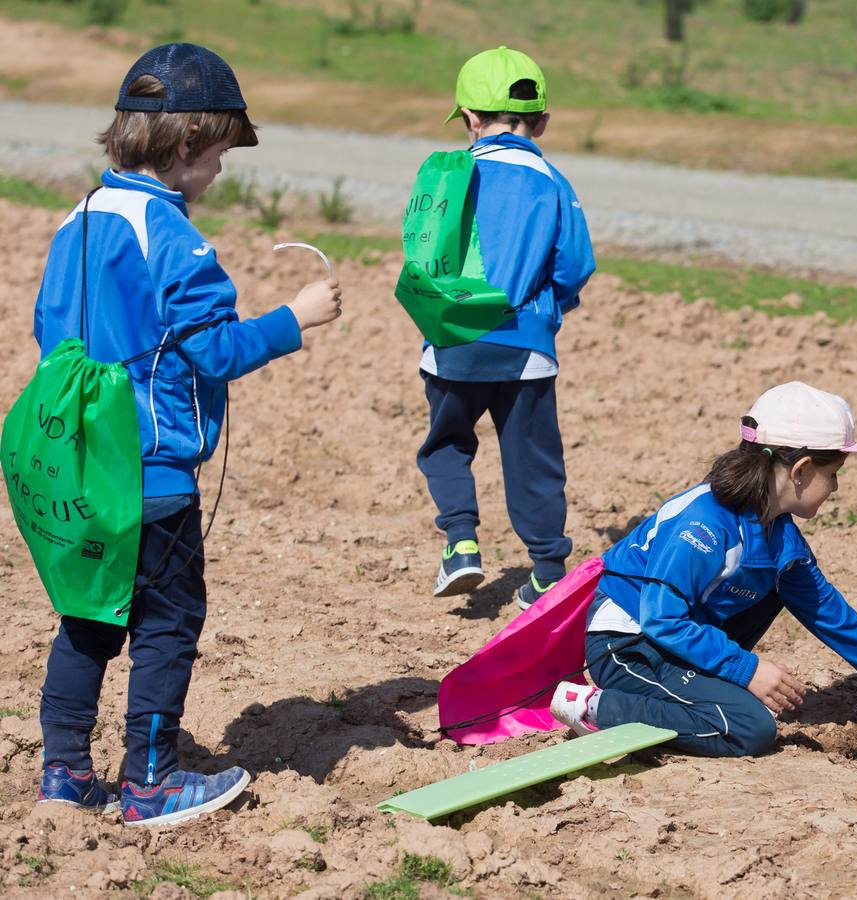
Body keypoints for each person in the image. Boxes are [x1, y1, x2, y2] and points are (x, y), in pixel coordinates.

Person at [32, 43, 342, 825]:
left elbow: (48, 332)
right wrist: (293, 319)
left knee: (90, 620)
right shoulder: (174, 239)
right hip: (153, 471)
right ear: (181, 150)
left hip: (79, 465)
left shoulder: (80, 217)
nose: (220, 173)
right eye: (218, 157)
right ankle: (151, 781)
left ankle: (65, 772)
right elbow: (214, 349)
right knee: (170, 623)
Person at [548, 382, 857, 756]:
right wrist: (747, 669)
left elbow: (823, 607)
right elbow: (662, 619)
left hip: (673, 639)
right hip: (630, 645)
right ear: (800, 470)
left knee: (778, 587)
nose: (835, 488)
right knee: (749, 727)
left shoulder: (780, 534)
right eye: (832, 475)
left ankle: (685, 691)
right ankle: (598, 707)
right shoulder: (703, 525)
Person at [416, 46, 594, 607]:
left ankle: (461, 542)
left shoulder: (448, 174)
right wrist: (552, 306)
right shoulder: (553, 181)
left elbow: (423, 254)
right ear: (541, 121)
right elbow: (574, 265)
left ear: (468, 118)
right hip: (527, 349)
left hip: (454, 342)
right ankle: (546, 570)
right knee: (533, 459)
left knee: (446, 445)